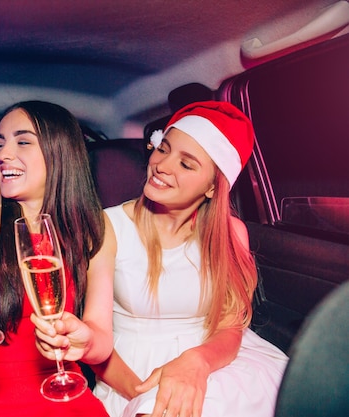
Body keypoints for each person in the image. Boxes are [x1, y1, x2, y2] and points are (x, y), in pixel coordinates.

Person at [32, 101, 289, 417]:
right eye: (163, 149)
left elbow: (231, 326)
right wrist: (149, 395)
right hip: (130, 374)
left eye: (186, 164)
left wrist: (197, 362)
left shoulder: (232, 232)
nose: (162, 165)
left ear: (212, 186)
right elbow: (96, 337)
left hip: (219, 362)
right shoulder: (108, 227)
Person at [0, 100, 112, 417]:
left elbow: (102, 339)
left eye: (22, 141)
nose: (3, 154)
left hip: (69, 398)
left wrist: (83, 340)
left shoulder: (91, 228)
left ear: (60, 151)